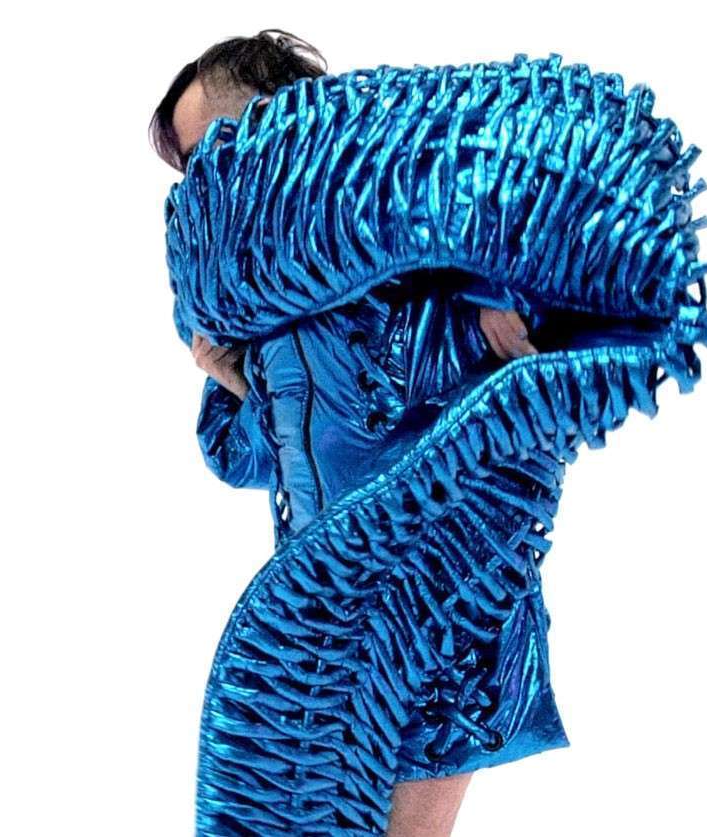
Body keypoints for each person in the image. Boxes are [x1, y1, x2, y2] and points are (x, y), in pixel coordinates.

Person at [151, 30, 553, 836]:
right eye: (187, 173)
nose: (199, 191)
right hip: (323, 625)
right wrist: (235, 378)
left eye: (206, 158)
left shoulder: (398, 222)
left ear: (273, 123)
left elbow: (510, 300)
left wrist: (495, 312)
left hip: (435, 614)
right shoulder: (261, 308)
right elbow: (254, 461)